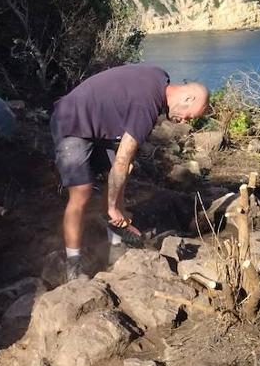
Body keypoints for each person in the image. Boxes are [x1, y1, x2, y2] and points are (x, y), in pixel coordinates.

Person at [51, 64, 209, 281]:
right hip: (71, 119)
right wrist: (115, 207)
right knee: (82, 191)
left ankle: (114, 238)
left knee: (120, 170)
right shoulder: (146, 107)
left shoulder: (160, 77)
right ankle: (73, 262)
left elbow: (125, 162)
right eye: (189, 117)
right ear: (188, 98)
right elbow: (122, 159)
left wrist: (118, 206)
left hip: (97, 123)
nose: (184, 121)